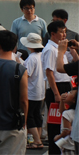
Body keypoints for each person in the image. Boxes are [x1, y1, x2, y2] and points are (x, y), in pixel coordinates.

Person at [43, 20, 72, 155]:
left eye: (65, 31)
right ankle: (54, 151)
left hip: (65, 85)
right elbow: (49, 73)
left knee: (64, 121)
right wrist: (56, 93)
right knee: (55, 123)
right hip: (57, 88)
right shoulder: (50, 49)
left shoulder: (60, 48)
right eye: (61, 32)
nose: (64, 34)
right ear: (53, 34)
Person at [21, 33, 45, 150]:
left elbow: (27, 75)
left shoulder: (31, 58)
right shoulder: (42, 56)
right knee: (37, 115)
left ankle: (37, 140)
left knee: (29, 116)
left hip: (31, 91)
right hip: (40, 91)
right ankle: (38, 139)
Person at [55, 88, 77, 155]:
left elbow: (66, 131)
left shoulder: (67, 113)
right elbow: (62, 111)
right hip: (75, 145)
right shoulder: (74, 112)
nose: (67, 93)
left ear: (74, 100)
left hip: (68, 146)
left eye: (70, 93)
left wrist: (57, 138)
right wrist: (61, 100)